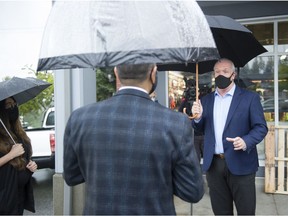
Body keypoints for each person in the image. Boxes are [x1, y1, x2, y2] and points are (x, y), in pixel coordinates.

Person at [64, 63, 204, 215]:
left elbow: (72, 177)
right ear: (153, 73)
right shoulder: (176, 123)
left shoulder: (80, 118)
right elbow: (192, 191)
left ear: (116, 73)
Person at [191, 58, 268, 215]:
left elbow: (261, 127)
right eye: (217, 72)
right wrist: (197, 117)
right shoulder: (205, 100)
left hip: (241, 163)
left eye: (225, 71)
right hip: (214, 165)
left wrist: (246, 141)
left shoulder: (249, 98)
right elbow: (199, 129)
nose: (221, 75)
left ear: (233, 75)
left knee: (246, 211)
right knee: (221, 212)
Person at [0, 97, 37, 215]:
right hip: (4, 198)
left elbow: (25, 157)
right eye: (8, 104)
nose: (13, 107)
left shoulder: (18, 132)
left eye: (14, 104)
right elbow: (12, 157)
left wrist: (31, 165)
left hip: (19, 196)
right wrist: (11, 154)